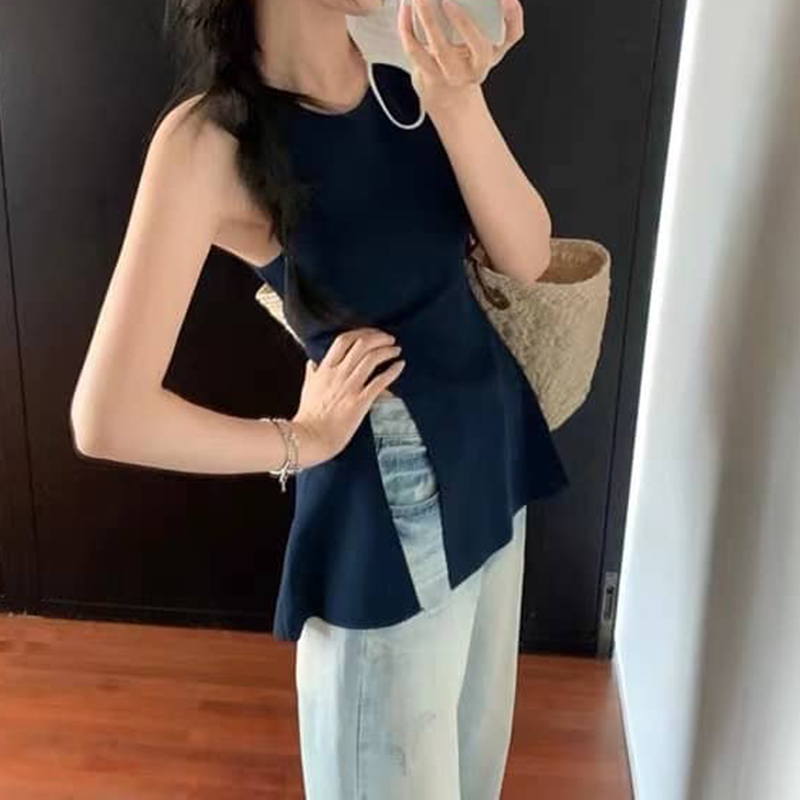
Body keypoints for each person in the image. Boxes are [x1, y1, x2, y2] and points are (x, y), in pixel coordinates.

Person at [70, 0, 568, 797]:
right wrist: (299, 439)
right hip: (393, 519)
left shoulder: (405, 82)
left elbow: (528, 254)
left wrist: (458, 101)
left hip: (496, 467)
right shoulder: (209, 143)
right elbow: (107, 415)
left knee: (476, 776)